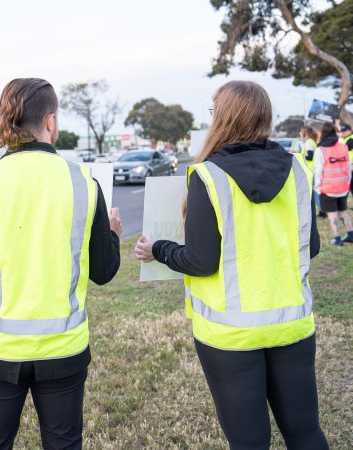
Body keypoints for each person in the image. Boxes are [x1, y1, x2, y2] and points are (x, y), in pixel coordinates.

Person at [134, 81, 329, 450]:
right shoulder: (298, 171)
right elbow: (311, 248)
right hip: (292, 324)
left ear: (222, 118)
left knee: (249, 442)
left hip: (230, 334)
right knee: (305, 433)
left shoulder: (209, 176)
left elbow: (200, 262)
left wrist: (158, 248)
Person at [0, 78, 122, 450]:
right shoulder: (85, 182)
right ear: (50, 122)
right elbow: (104, 272)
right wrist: (114, 235)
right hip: (63, 351)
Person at [314, 122, 353, 245]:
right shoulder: (343, 147)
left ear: (323, 133)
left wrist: (317, 188)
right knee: (343, 211)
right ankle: (351, 235)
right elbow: (348, 168)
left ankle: (337, 239)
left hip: (328, 189)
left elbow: (318, 171)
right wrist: (347, 184)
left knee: (332, 214)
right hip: (343, 187)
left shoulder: (321, 150)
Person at [300, 125, 325, 217]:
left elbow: (310, 156)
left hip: (310, 171)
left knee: (313, 193)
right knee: (313, 192)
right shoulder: (310, 142)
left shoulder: (309, 142)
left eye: (300, 132)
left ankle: (323, 210)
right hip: (311, 170)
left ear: (304, 133)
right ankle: (322, 210)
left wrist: (297, 155)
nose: (299, 134)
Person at [340, 123, 353, 201]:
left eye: (345, 131)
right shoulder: (347, 139)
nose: (343, 133)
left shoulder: (351, 139)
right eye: (342, 131)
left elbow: (346, 150)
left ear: (349, 130)